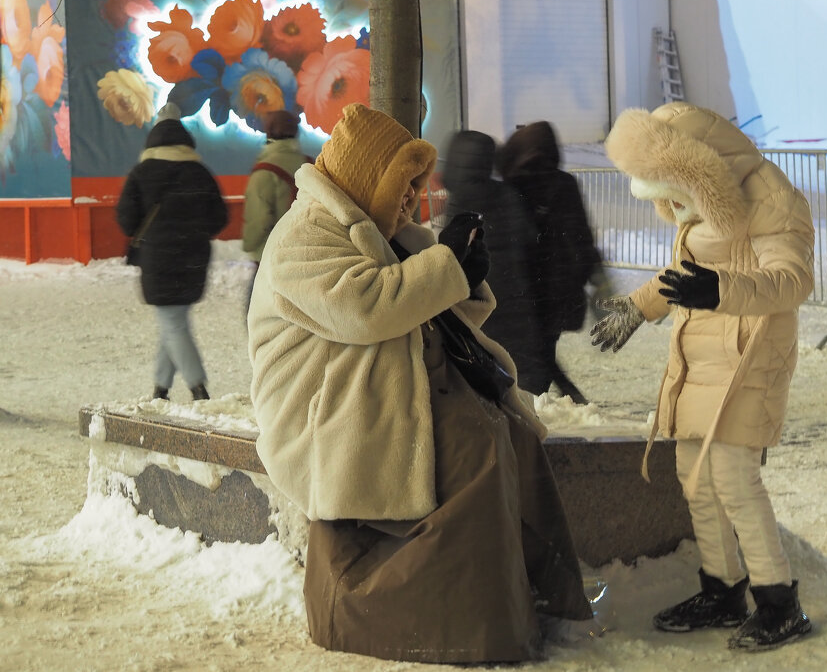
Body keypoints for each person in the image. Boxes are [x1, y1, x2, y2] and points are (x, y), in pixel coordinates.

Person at [247, 103, 593, 665]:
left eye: (414, 185)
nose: (410, 198)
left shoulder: (385, 231)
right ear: (365, 176)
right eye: (399, 183)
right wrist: (448, 266)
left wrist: (464, 269)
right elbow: (368, 308)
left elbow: (434, 305)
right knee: (474, 461)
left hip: (396, 387)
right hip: (334, 408)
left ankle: (538, 602)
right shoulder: (303, 235)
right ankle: (465, 627)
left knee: (515, 441)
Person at [592, 102, 816, 651]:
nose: (665, 201)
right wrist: (638, 307)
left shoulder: (770, 195)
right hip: (699, 358)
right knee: (696, 478)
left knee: (736, 479)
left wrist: (720, 291)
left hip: (749, 359)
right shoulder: (697, 199)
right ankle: (721, 590)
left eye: (667, 185)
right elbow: (686, 273)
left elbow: (791, 280)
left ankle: (779, 602)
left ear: (694, 167)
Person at [116, 116, 228, 402]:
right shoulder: (200, 172)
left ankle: (198, 389)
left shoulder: (141, 173)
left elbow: (127, 221)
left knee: (173, 322)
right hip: (194, 259)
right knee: (174, 321)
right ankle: (160, 389)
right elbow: (219, 218)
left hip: (158, 259)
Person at [497, 121, 601, 403]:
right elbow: (581, 238)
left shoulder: (510, 187)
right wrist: (585, 275)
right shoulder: (564, 184)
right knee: (543, 354)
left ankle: (547, 403)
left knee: (532, 358)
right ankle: (564, 398)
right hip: (557, 292)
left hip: (522, 291)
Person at [440, 129, 547, 392]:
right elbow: (528, 236)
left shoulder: (458, 199)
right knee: (520, 366)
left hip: (475, 292)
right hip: (513, 290)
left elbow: (451, 250)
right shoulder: (505, 194)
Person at [241, 110, 311, 309]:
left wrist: (249, 246)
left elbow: (259, 220)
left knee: (256, 320)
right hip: (307, 257)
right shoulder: (311, 165)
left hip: (272, 260)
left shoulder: (264, 172)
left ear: (268, 132)